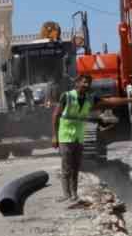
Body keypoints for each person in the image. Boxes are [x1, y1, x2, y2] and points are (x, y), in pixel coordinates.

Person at [50, 73, 126, 203]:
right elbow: (55, 116)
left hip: (78, 137)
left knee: (75, 167)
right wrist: (54, 136)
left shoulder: (89, 99)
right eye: (84, 82)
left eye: (88, 83)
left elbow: (109, 102)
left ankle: (74, 194)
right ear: (77, 83)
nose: (86, 85)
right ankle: (66, 194)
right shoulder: (67, 96)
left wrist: (130, 100)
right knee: (66, 167)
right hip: (65, 136)